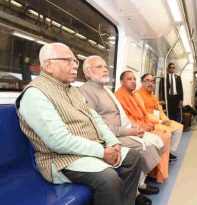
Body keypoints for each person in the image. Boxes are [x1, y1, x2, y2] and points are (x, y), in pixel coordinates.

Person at [15, 42, 142, 205]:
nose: (75, 66)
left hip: (92, 149)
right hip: (61, 159)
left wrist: (113, 143)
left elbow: (96, 119)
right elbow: (58, 141)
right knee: (109, 179)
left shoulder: (73, 90)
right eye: (68, 61)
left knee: (133, 157)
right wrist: (102, 152)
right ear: (48, 65)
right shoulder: (35, 94)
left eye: (75, 61)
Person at [80, 56, 164, 201]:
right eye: (99, 67)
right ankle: (135, 191)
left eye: (105, 66)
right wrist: (129, 131)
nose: (105, 69)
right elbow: (96, 125)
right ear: (87, 72)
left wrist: (134, 127)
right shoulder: (85, 91)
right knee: (145, 148)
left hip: (121, 130)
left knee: (155, 143)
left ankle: (139, 184)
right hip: (109, 136)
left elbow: (123, 115)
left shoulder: (106, 90)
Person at [115, 70, 171, 183]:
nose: (133, 81)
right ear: (121, 82)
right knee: (163, 138)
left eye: (134, 79)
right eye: (129, 79)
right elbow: (128, 119)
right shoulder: (120, 96)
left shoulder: (133, 95)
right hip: (134, 129)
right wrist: (146, 126)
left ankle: (156, 173)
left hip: (146, 124)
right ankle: (152, 176)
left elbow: (144, 113)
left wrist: (156, 122)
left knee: (167, 134)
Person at [134, 73, 183, 161]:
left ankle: (169, 151)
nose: (150, 83)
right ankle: (164, 154)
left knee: (178, 127)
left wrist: (166, 120)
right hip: (148, 122)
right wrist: (160, 122)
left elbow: (159, 110)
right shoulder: (138, 95)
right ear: (142, 82)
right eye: (147, 81)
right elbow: (143, 113)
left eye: (152, 81)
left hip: (159, 120)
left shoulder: (153, 96)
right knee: (167, 132)